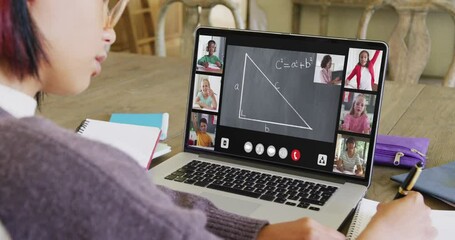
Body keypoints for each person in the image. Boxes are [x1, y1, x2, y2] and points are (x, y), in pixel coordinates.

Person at [0, 1, 437, 239]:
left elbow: (147, 207)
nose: (110, 26)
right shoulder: (61, 169)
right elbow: (119, 198)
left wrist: (260, 233)